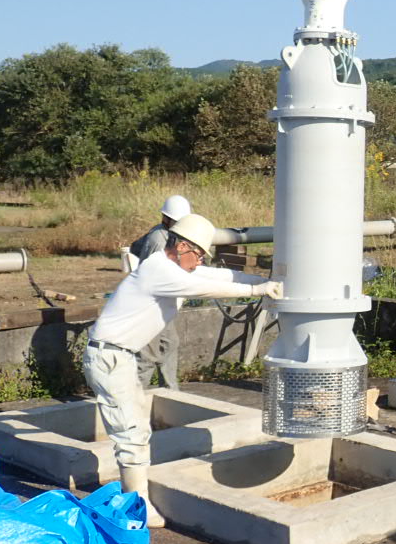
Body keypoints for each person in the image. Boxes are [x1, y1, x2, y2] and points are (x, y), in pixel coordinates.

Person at [83, 213, 282, 527]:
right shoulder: (159, 271)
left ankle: (134, 498)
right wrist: (258, 292)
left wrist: (263, 283)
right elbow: (202, 288)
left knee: (138, 430)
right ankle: (138, 509)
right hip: (110, 358)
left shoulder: (172, 268)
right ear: (182, 246)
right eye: (199, 253)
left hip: (121, 358)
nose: (201, 260)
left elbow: (219, 277)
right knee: (131, 434)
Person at [128, 194, 191, 390]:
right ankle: (135, 398)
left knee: (170, 343)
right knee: (148, 354)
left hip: (162, 302)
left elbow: (134, 247)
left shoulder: (166, 234)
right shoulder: (158, 239)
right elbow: (150, 275)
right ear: (167, 218)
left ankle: (171, 392)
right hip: (150, 304)